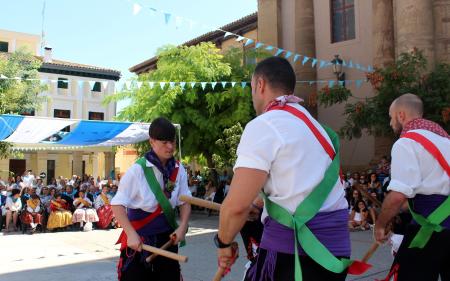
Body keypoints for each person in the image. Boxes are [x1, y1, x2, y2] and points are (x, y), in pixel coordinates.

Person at [216, 57, 350, 281]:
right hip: (335, 255)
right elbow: (298, 182)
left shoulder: (265, 124)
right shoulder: (316, 127)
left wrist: (223, 243)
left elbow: (235, 207)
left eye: (251, 89)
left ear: (260, 85)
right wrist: (258, 203)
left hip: (294, 255)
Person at [375, 94, 450, 281]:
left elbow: (398, 196)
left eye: (391, 117)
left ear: (401, 115)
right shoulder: (446, 141)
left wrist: (380, 225)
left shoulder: (406, 143)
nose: (391, 122)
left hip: (429, 230)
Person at [111, 117, 191, 281]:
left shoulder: (178, 168)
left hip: (167, 238)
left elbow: (184, 200)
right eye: (164, 142)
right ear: (152, 142)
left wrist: (183, 226)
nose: (170, 147)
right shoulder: (137, 170)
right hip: (139, 238)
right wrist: (130, 234)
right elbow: (117, 204)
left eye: (173, 142)